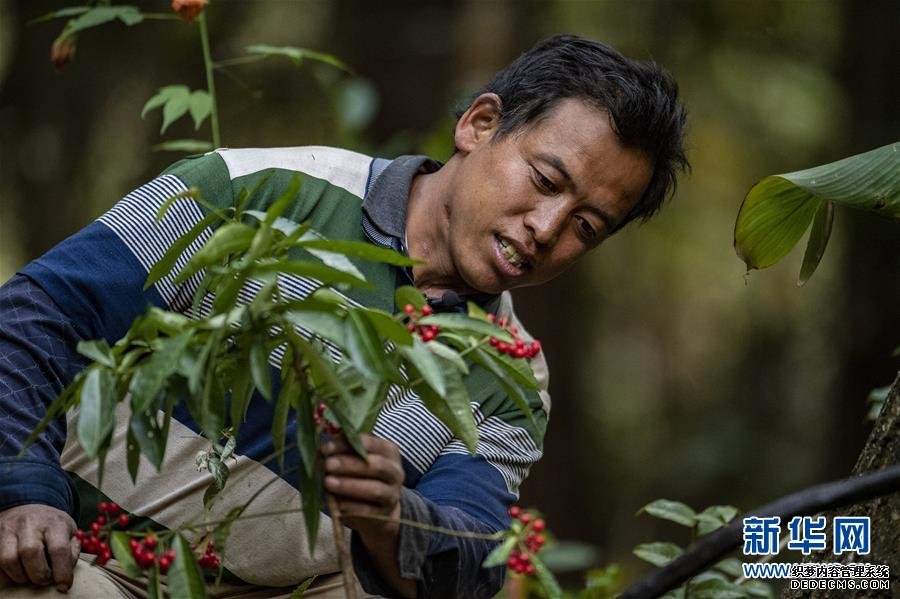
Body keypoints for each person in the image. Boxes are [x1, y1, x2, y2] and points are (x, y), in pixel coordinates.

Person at [0, 34, 687, 598]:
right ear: (480, 125)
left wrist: (391, 519)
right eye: (544, 180)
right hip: (77, 557)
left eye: (587, 225)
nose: (546, 227)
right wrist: (26, 490)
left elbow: (468, 553)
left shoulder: (507, 373)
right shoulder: (259, 190)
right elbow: (38, 314)